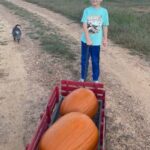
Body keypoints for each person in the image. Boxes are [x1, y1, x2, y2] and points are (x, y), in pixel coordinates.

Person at [80, 0, 109, 83]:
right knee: (84, 60)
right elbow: (84, 24)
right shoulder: (87, 10)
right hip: (85, 41)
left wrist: (105, 39)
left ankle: (95, 79)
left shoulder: (104, 11)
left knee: (95, 60)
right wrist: (88, 38)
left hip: (96, 42)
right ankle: (83, 77)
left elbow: (105, 25)